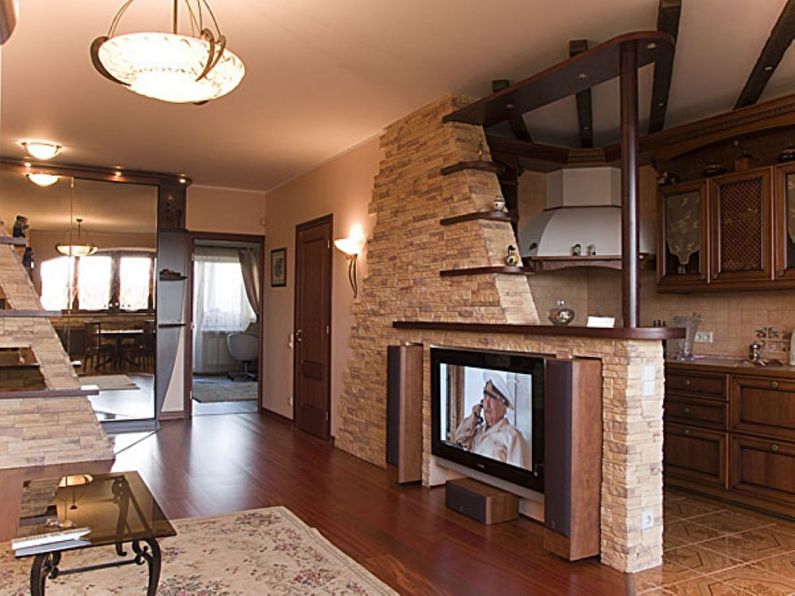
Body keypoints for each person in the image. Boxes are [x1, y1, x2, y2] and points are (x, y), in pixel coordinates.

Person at [453, 372, 531, 469]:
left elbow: (519, 476)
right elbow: (459, 439)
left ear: (503, 406)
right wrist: (474, 417)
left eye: (492, 398)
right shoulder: (478, 432)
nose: (487, 404)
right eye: (485, 397)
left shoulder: (513, 436)